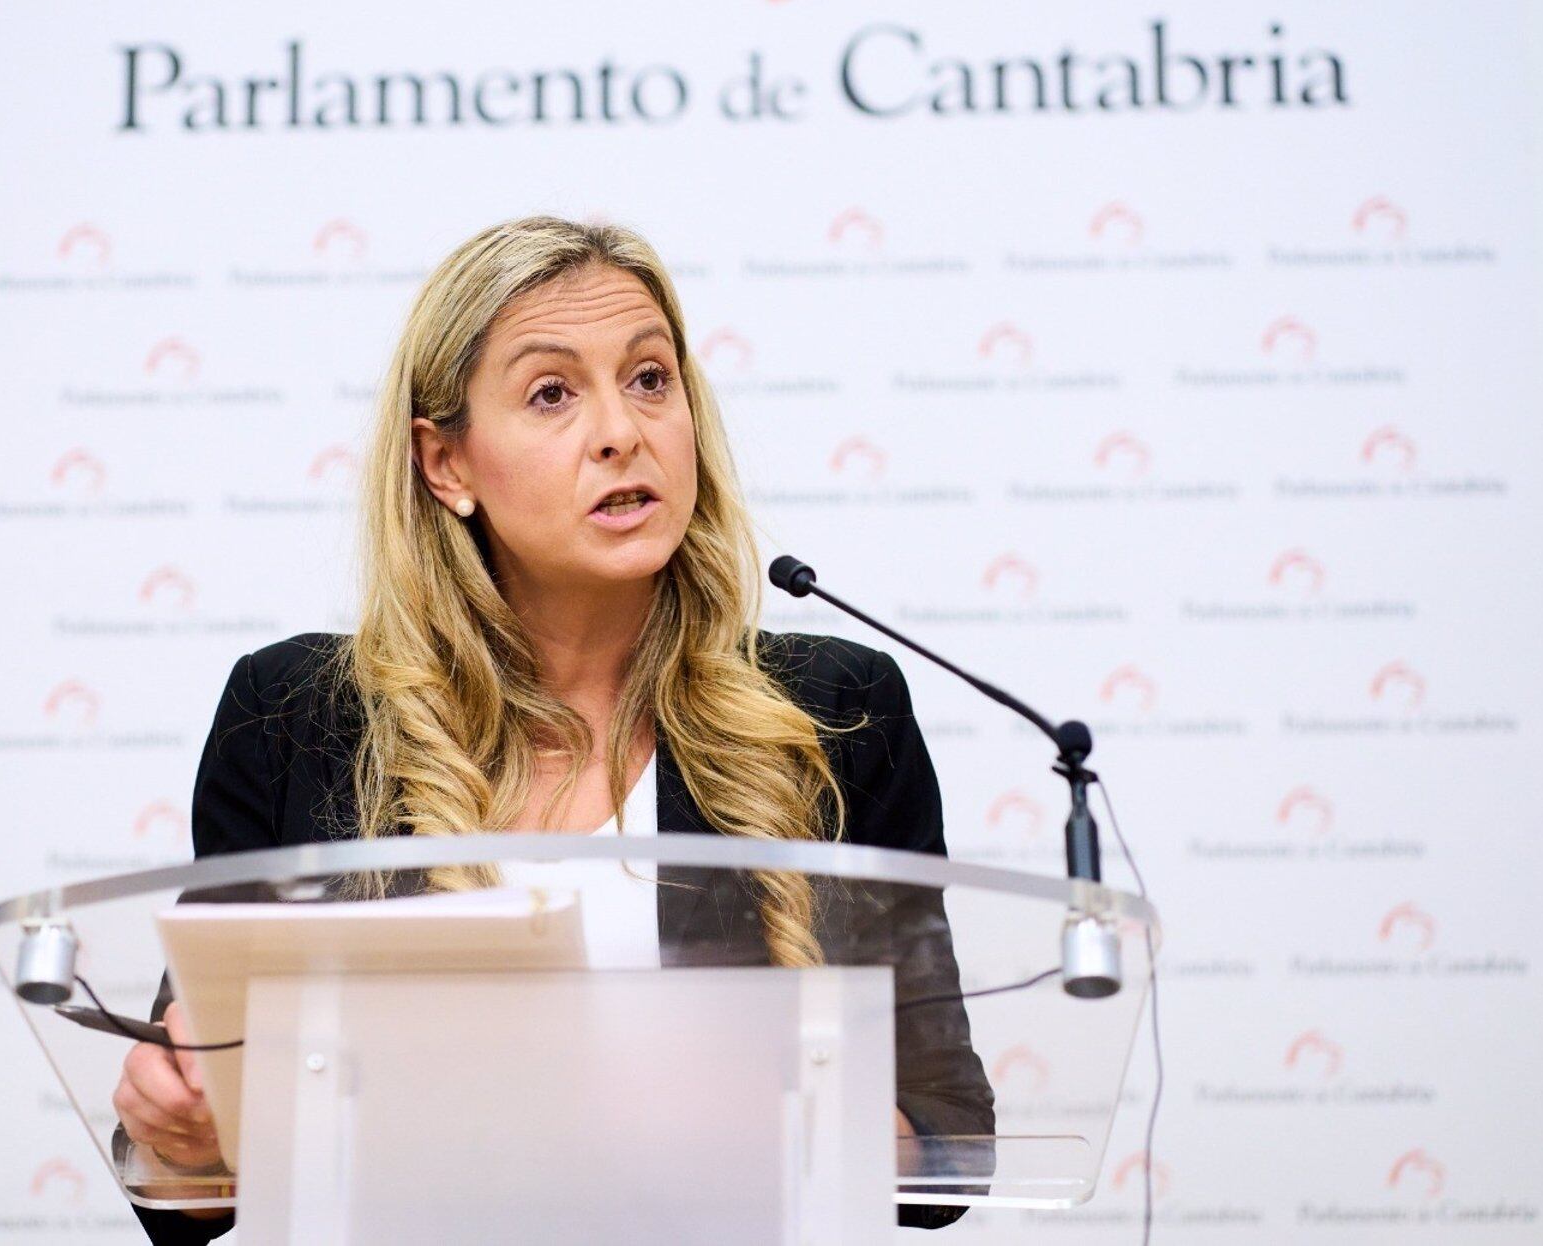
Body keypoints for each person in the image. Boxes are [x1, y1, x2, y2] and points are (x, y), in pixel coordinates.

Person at [112, 215, 993, 1242]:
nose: (622, 429)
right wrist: (179, 1140)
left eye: (651, 378)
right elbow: (191, 1181)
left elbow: (944, 1150)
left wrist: (779, 1113)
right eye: (553, 393)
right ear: (447, 464)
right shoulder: (296, 716)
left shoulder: (836, 713)